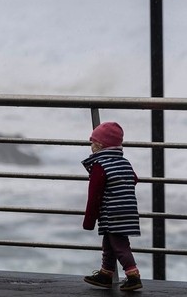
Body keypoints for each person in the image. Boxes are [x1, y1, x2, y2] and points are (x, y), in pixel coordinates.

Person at [81, 121, 143, 292]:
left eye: (92, 142)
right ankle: (106, 274)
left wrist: (89, 221)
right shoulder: (123, 162)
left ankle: (133, 276)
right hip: (127, 210)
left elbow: (94, 196)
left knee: (120, 245)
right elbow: (134, 179)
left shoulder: (100, 166)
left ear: (100, 145)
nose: (91, 146)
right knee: (109, 243)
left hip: (111, 213)